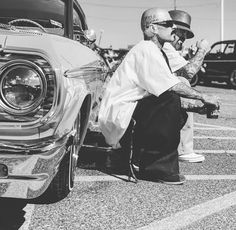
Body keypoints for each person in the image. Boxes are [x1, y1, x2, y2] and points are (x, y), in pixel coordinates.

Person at [98, 8, 219, 185]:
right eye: (168, 24)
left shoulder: (155, 50)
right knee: (168, 100)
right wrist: (203, 97)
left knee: (174, 105)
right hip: (120, 114)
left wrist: (199, 107)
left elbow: (167, 86)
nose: (173, 28)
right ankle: (157, 169)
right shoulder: (147, 49)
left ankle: (141, 159)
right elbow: (171, 86)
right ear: (152, 28)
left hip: (131, 109)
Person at [163, 10, 209, 163]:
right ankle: (184, 149)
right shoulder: (166, 47)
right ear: (172, 32)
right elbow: (188, 73)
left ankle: (180, 147)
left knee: (182, 85)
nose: (183, 40)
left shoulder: (165, 48)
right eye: (182, 35)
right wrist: (202, 50)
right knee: (184, 83)